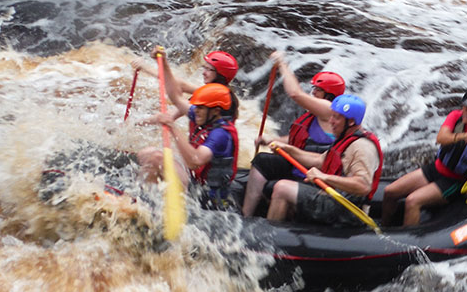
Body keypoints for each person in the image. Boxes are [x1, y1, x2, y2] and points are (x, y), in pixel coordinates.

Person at [241, 50, 347, 216]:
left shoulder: (330, 110)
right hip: (299, 166)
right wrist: (270, 140)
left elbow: (295, 93)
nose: (313, 93)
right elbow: (300, 138)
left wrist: (282, 64)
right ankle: (247, 214)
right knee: (262, 160)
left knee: (278, 184)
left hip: (314, 174)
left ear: (329, 94)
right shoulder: (315, 115)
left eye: (318, 90)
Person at [381, 88, 467, 227]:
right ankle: (382, 231)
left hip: (454, 182)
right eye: (464, 106)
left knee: (412, 201)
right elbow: (441, 138)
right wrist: (463, 136)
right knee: (390, 192)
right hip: (435, 169)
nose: (464, 110)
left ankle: (406, 244)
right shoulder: (456, 117)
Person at [137, 51, 239, 209]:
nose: (194, 111)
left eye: (209, 69)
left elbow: (195, 161)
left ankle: (144, 202)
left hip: (204, 192)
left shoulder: (221, 133)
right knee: (146, 153)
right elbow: (176, 97)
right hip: (195, 175)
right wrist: (163, 62)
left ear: (215, 111)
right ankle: (144, 193)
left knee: (157, 158)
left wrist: (172, 127)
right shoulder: (206, 110)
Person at [265, 94, 383, 225]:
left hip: (348, 210)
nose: (331, 121)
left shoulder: (362, 147)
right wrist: (289, 149)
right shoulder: (345, 137)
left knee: (282, 188)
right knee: (280, 187)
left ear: (351, 122)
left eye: (336, 117)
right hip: (333, 198)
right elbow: (319, 160)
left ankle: (269, 237)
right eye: (331, 115)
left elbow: (363, 186)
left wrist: (324, 177)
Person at [130, 49, 238, 96]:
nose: (203, 73)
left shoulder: (214, 95)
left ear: (220, 75)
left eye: (209, 70)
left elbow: (176, 85)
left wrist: (147, 67)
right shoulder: (216, 91)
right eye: (204, 68)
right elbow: (179, 83)